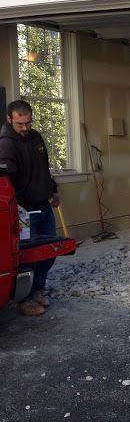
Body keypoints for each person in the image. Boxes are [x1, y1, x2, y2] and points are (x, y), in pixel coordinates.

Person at [0, 100, 60, 316]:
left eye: (28, 122)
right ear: (9, 119)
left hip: (43, 204)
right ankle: (24, 300)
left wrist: (52, 189)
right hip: (23, 210)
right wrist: (16, 207)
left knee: (49, 251)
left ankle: (38, 290)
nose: (25, 128)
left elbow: (44, 166)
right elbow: (7, 179)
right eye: (20, 124)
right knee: (27, 257)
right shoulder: (6, 143)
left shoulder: (35, 137)